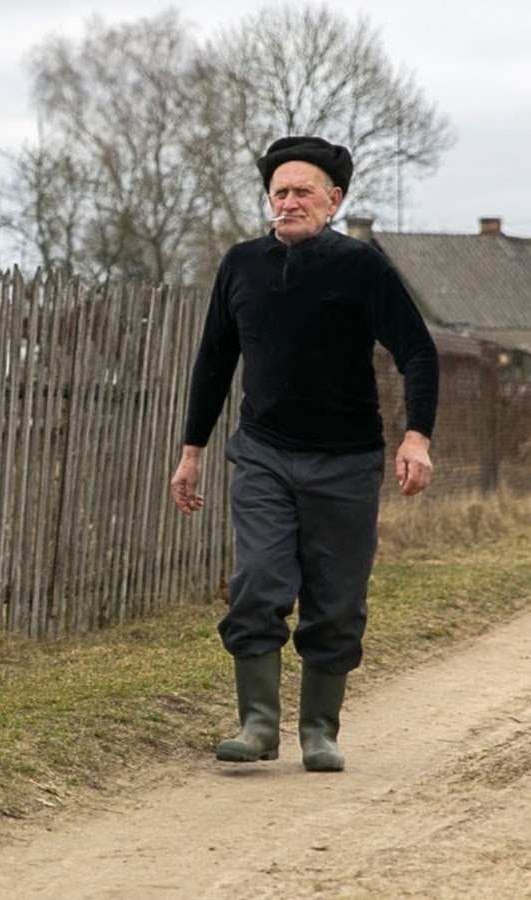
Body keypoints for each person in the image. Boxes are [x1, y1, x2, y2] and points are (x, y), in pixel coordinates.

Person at [170, 135, 439, 772]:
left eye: (303, 192)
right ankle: (259, 724)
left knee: (337, 600)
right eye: (279, 192)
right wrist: (192, 452)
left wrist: (417, 437)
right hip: (264, 455)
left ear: (333, 199)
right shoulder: (241, 265)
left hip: (346, 462)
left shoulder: (361, 267)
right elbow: (214, 361)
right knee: (258, 581)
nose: (288, 202)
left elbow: (418, 352)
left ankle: (319, 730)